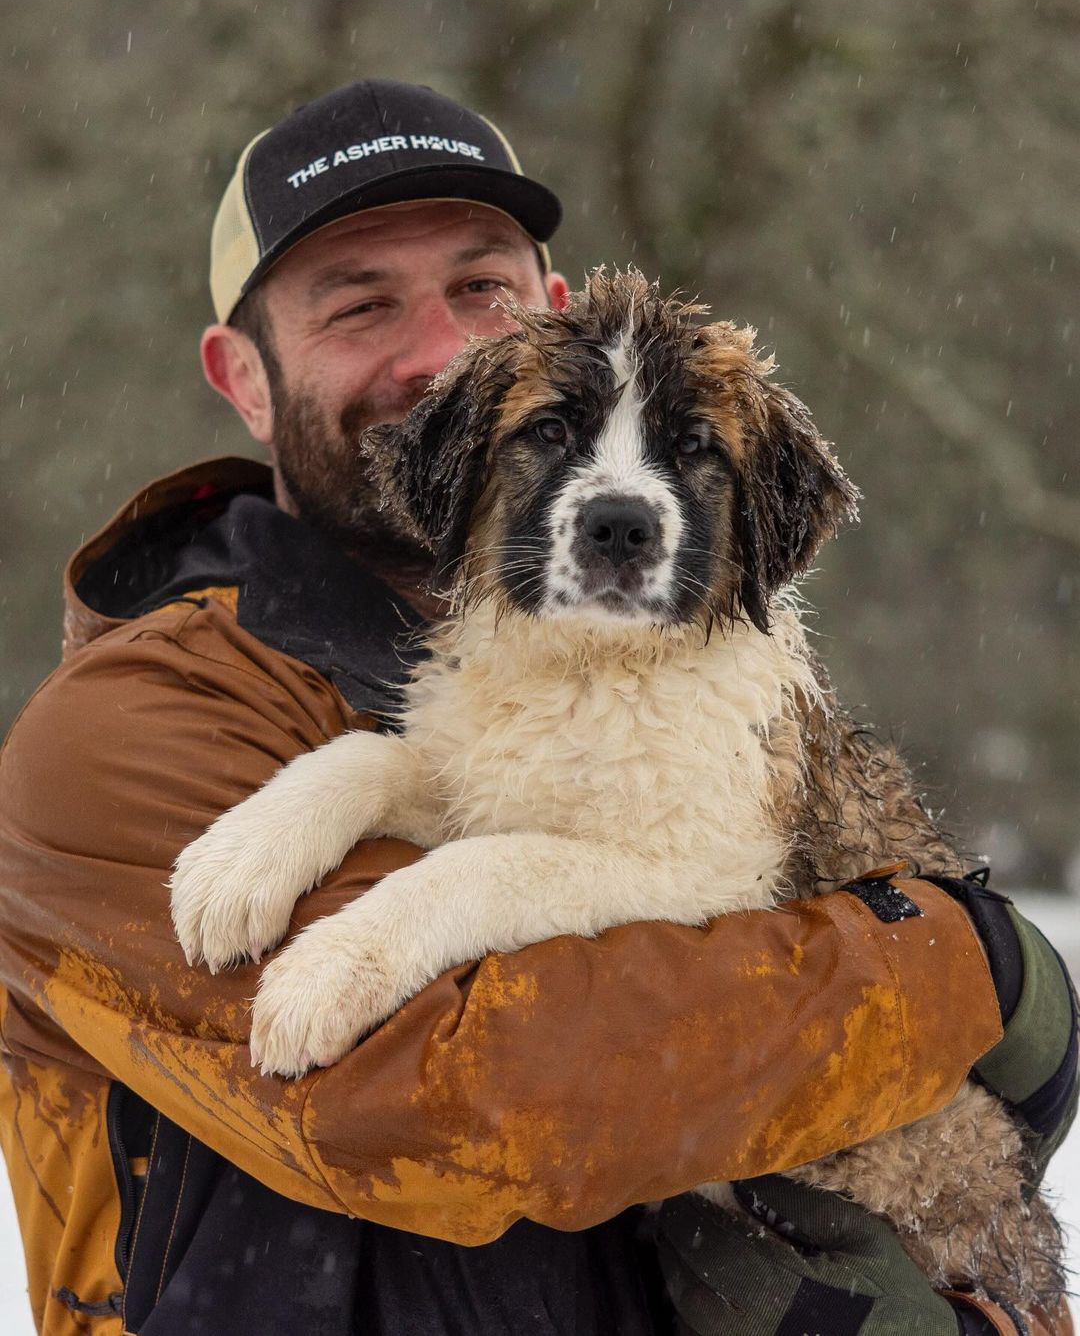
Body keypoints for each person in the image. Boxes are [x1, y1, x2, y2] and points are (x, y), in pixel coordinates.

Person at [0, 80, 1074, 1336]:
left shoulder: (642, 654)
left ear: (554, 321)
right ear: (240, 374)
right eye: (359, 304)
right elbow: (472, 1094)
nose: (439, 351)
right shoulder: (127, 723)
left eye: (482, 292)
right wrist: (953, 966)